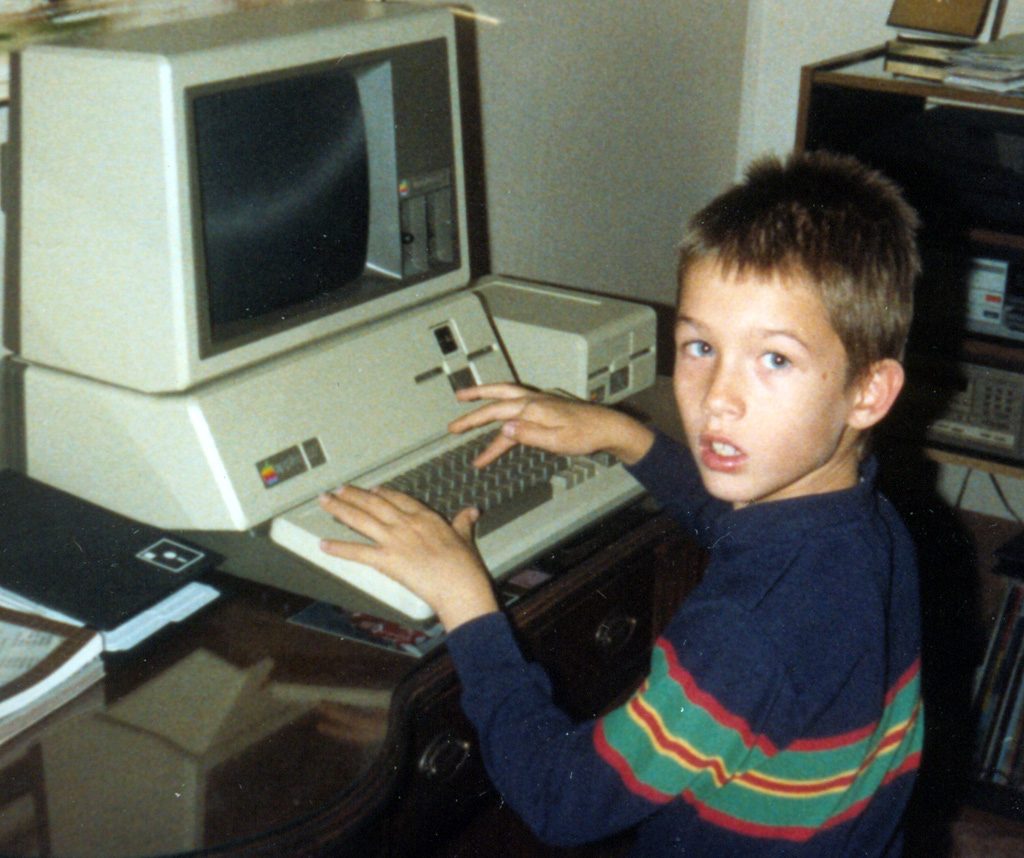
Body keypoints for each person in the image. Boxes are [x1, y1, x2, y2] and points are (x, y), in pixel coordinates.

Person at [318, 150, 924, 856]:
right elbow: (733, 527)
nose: (717, 400)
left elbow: (562, 799)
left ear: (868, 392)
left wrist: (466, 601)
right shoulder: (864, 519)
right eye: (701, 346)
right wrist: (626, 437)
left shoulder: (743, 635)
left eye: (775, 359)